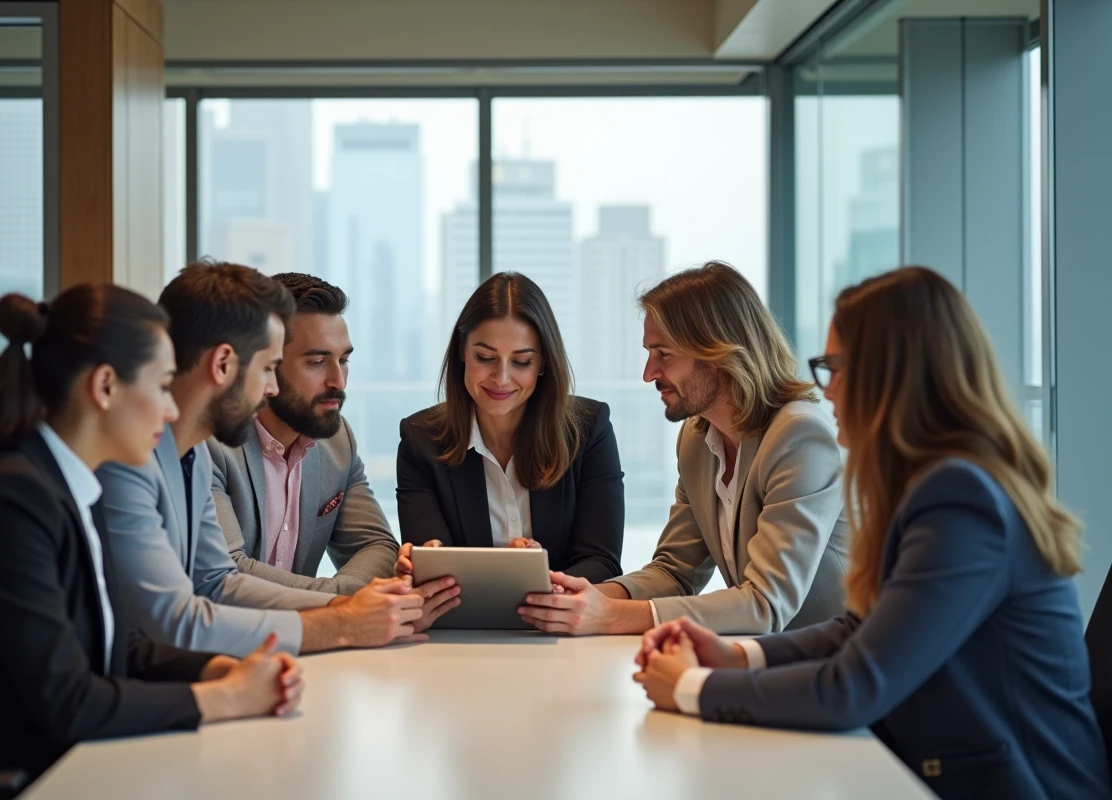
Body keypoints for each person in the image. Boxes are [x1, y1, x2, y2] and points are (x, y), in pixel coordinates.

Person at [633, 266, 1112, 800]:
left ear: (891, 374)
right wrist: (739, 656)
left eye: (834, 367)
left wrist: (694, 687)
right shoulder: (936, 483)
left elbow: (855, 687)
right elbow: (856, 629)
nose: (826, 388)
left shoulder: (962, 499)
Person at [0, 287, 303, 781]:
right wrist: (226, 697)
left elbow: (111, 646)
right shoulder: (12, 499)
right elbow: (69, 699)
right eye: (162, 386)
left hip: (60, 763)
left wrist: (214, 669)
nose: (170, 410)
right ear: (104, 388)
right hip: (1, 778)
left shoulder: (71, 484)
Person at [98, 262, 449, 658]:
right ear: (224, 364)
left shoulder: (189, 453)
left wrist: (356, 610)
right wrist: (345, 616)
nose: (269, 386)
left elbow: (213, 582)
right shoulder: (138, 458)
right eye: (268, 367)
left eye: (343, 360)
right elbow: (187, 610)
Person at [520, 261, 848, 635]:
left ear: (717, 352)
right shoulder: (697, 439)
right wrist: (588, 598)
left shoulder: (799, 436)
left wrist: (611, 616)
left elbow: (765, 604)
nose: (648, 373)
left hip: (842, 669)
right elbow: (675, 571)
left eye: (664, 354)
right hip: (771, 661)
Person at [396, 271, 624, 585]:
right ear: (462, 352)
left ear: (544, 363)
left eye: (521, 361)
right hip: (465, 629)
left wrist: (539, 578)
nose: (501, 378)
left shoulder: (589, 428)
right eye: (486, 357)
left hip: (563, 627)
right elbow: (432, 565)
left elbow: (603, 562)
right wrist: (422, 561)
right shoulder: (420, 439)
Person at [208, 273, 405, 597]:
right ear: (266, 363)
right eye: (317, 361)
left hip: (304, 643)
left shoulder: (337, 439)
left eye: (344, 360)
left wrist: (337, 598)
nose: (338, 381)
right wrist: (342, 605)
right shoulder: (211, 445)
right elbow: (226, 571)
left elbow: (378, 547)